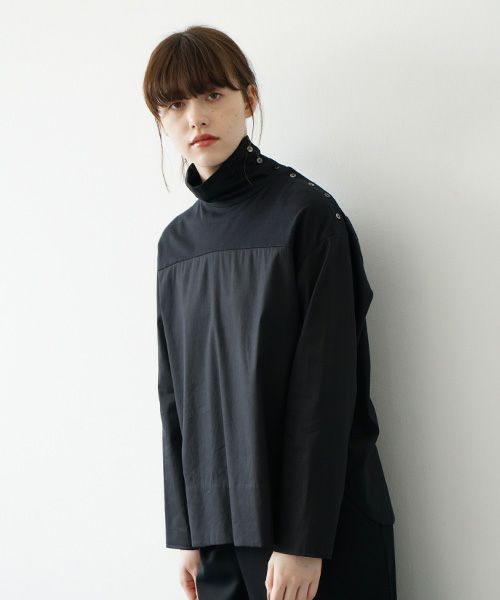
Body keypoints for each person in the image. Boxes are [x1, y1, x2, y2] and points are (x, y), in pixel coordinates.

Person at [143, 25, 397, 600]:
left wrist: (304, 541)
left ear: (249, 99)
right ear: (160, 121)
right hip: (219, 539)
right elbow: (175, 396)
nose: (195, 118)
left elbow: (327, 389)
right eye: (175, 104)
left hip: (315, 537)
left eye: (213, 95)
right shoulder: (175, 244)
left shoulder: (308, 216)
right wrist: (186, 532)